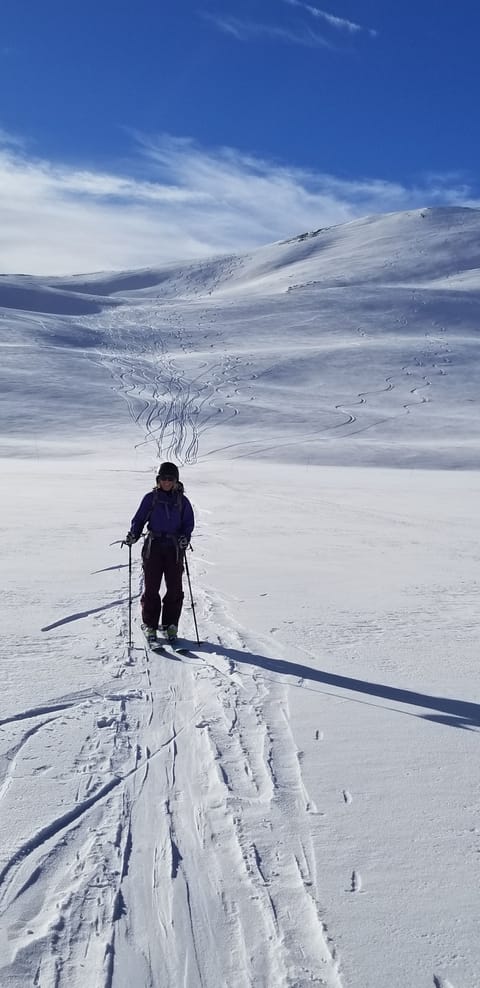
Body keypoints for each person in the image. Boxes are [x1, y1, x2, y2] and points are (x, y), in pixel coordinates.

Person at [125, 462, 194, 644]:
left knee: (174, 588)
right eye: (163, 478)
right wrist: (134, 534)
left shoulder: (182, 501)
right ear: (158, 480)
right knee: (151, 587)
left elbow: (188, 523)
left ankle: (171, 625)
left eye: (170, 479)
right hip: (153, 546)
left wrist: (185, 537)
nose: (166, 482)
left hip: (174, 549)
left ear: (176, 480)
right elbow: (139, 519)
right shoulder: (151, 498)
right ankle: (150, 625)